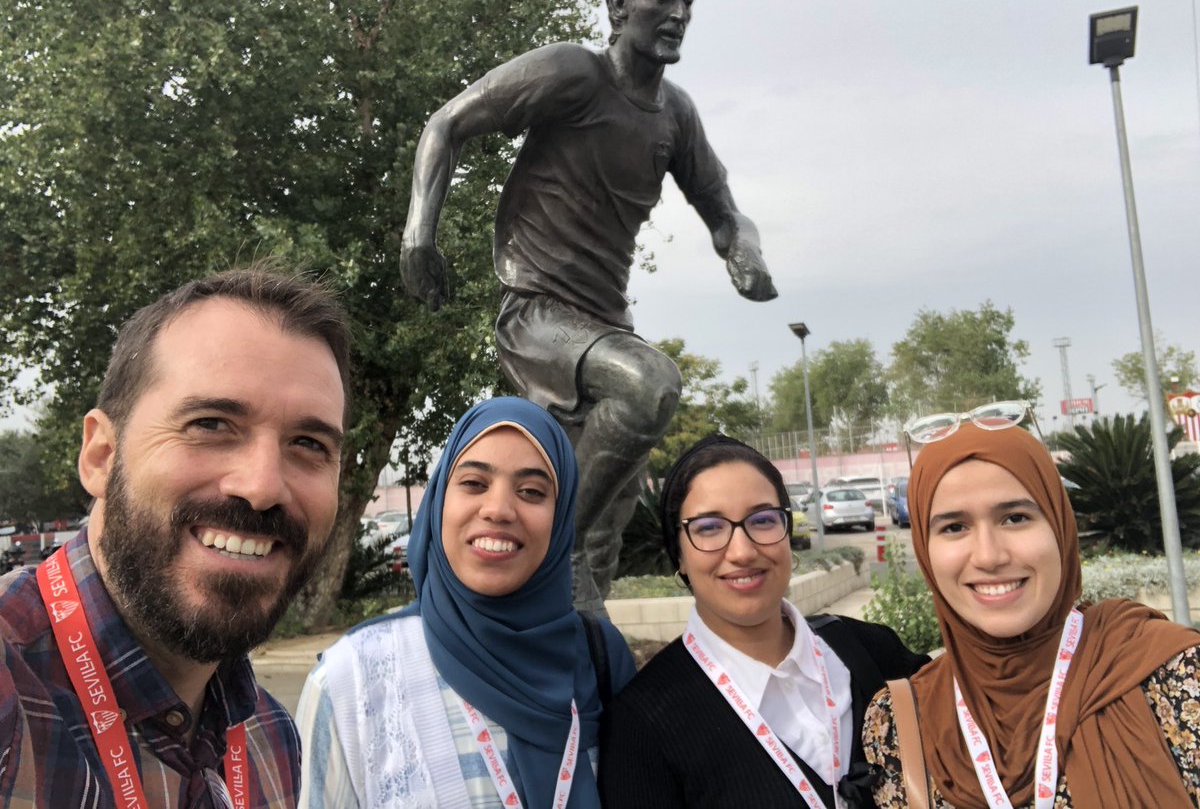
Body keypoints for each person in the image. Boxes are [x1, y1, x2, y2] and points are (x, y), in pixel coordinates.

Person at [400, 0, 778, 612]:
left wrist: (743, 252)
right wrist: (418, 233)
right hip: (537, 315)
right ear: (618, 3)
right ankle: (554, 552)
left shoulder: (675, 114)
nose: (679, 13)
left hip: (603, 325)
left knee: (604, 538)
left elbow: (725, 212)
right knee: (650, 387)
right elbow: (445, 126)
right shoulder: (573, 75)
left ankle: (584, 671)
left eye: (688, 1)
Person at [0, 266, 352, 807]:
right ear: (101, 456)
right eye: (211, 424)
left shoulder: (269, 737)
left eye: (308, 443)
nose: (262, 487)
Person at [296, 396, 635, 808]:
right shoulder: (354, 678)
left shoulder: (601, 660)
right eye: (474, 483)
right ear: (439, 501)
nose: (498, 510)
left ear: (561, 517)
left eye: (531, 491)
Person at [862, 422, 1200, 807]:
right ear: (925, 549)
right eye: (955, 527)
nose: (990, 556)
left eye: (1015, 518)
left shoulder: (1171, 675)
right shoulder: (900, 725)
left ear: (1059, 525)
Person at [598, 434, 929, 807]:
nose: (742, 551)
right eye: (709, 527)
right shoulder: (643, 725)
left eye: (763, 520)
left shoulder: (875, 653)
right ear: (679, 555)